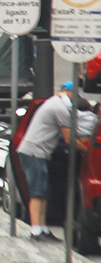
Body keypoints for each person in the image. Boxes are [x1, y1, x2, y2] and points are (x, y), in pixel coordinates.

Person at [16, 81, 84, 242]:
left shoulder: (52, 103)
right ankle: (36, 230)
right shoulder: (60, 108)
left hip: (35, 152)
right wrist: (87, 149)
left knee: (43, 192)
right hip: (35, 153)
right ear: (69, 93)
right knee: (38, 192)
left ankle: (42, 227)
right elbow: (69, 139)